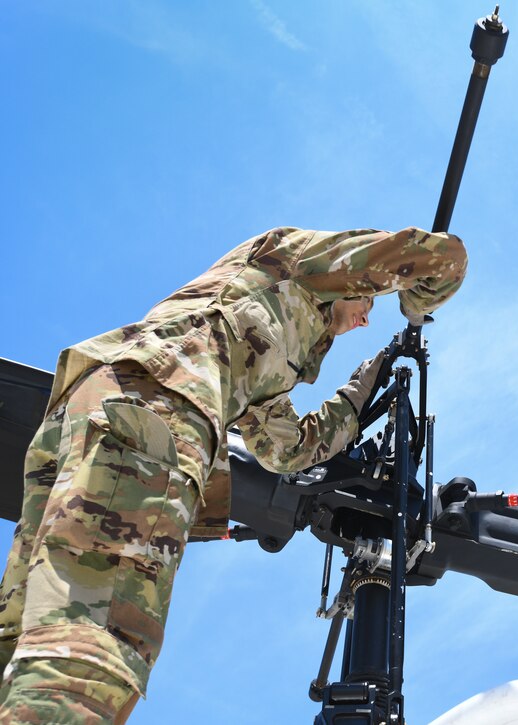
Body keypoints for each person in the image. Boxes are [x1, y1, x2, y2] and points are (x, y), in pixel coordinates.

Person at [0, 225, 468, 723]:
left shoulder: (273, 353)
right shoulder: (293, 261)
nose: (365, 320)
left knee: (23, 637)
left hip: (94, 412)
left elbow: (286, 449)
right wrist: (415, 305)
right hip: (157, 408)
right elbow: (441, 257)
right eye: (366, 307)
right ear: (353, 284)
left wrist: (360, 388)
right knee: (93, 636)